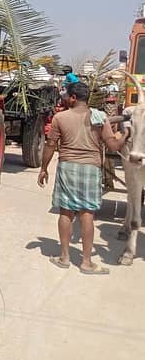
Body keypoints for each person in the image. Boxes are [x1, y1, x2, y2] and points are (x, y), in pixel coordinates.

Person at [38, 82, 126, 274]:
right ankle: (86, 262)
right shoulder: (100, 117)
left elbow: (51, 145)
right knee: (87, 215)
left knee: (66, 213)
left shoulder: (60, 117)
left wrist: (43, 168)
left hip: (67, 167)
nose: (64, 98)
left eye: (66, 95)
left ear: (73, 98)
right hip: (91, 169)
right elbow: (112, 146)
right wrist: (124, 136)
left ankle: (64, 257)